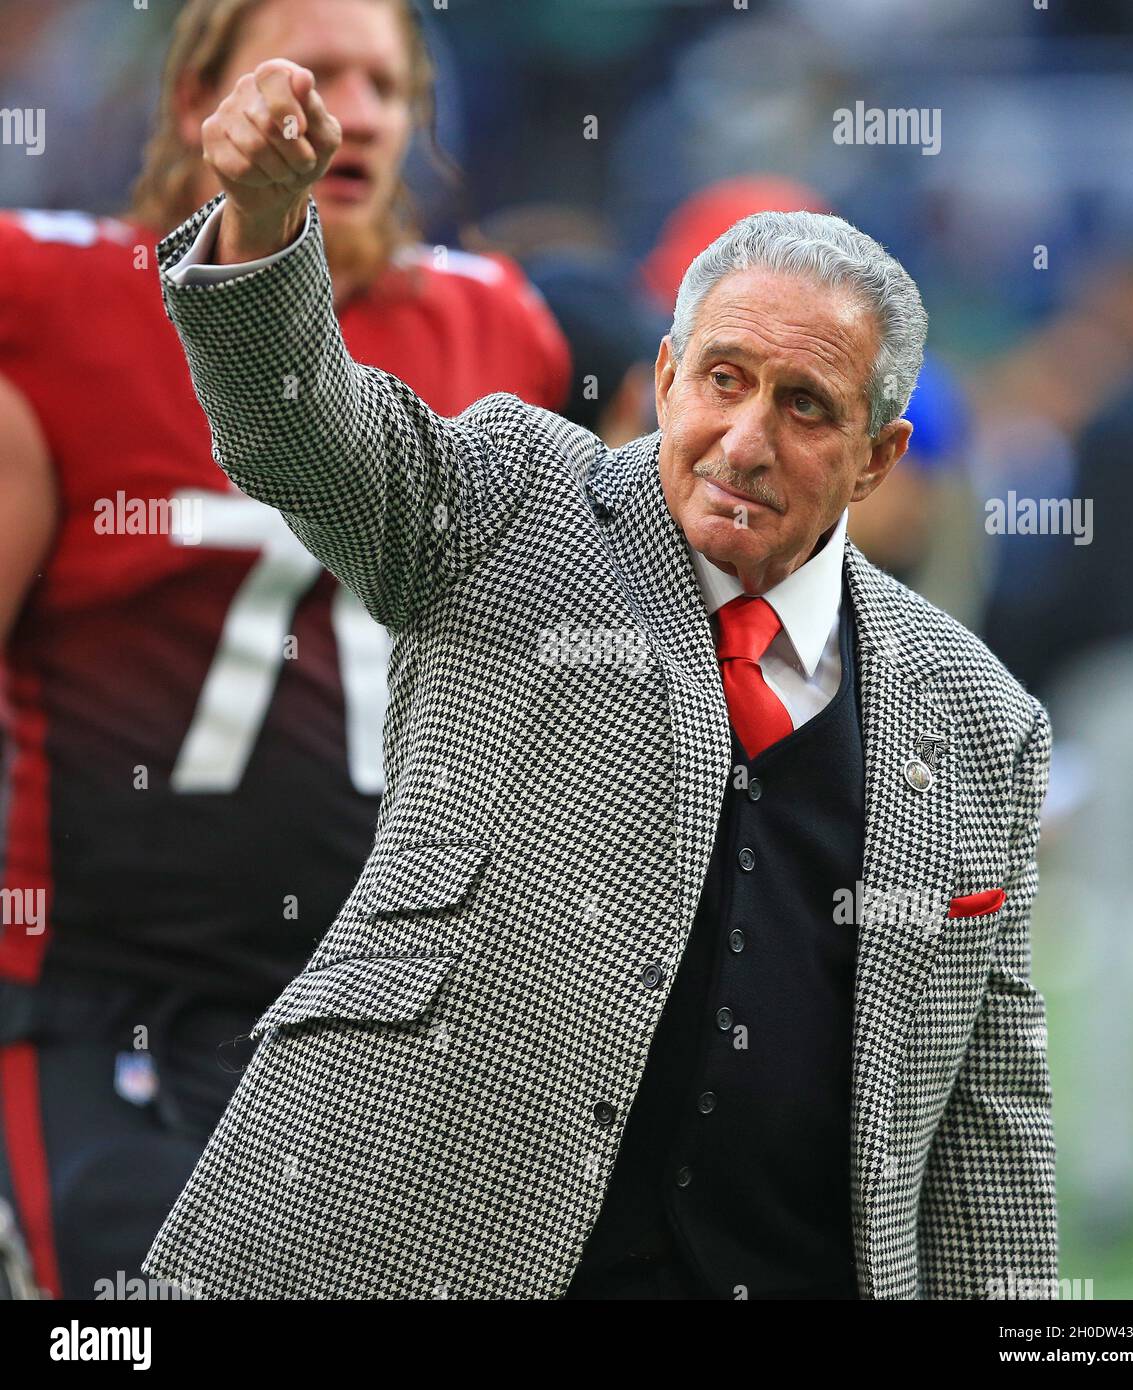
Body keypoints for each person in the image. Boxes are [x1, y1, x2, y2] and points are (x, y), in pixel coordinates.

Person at [143, 60, 1057, 1300]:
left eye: (803, 407)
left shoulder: (980, 719)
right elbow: (304, 432)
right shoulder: (514, 497)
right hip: (395, 1258)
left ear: (877, 457)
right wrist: (262, 225)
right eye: (724, 379)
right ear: (668, 372)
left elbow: (986, 1127)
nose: (744, 440)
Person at [0, 0, 568, 1300]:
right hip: (116, 993)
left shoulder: (494, 328)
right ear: (201, 92)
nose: (355, 107)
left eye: (387, 80)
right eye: (317, 71)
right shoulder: (60, 301)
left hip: (385, 1010)